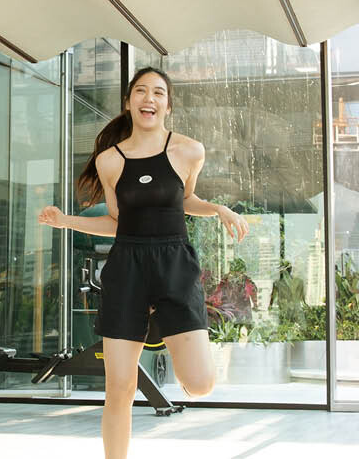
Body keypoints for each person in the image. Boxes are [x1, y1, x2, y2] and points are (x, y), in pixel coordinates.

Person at [38, 67, 249, 459]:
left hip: (174, 263)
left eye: (157, 93)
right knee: (120, 387)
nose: (148, 98)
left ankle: (170, 334)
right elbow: (116, 222)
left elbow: (184, 201)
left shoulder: (189, 150)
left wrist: (219, 208)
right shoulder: (110, 161)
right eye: (140, 91)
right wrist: (65, 220)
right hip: (127, 267)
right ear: (129, 102)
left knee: (201, 384)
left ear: (168, 105)